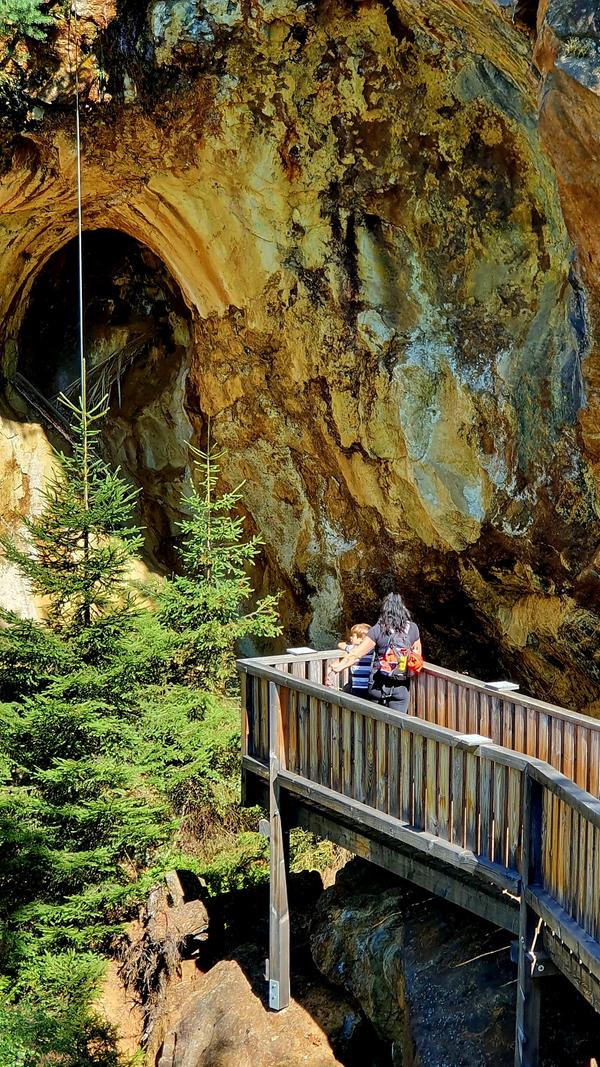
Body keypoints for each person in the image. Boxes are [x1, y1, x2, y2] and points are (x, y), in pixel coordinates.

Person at [329, 593, 421, 713]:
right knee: (397, 721)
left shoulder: (377, 629)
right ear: (403, 609)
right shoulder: (413, 628)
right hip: (401, 687)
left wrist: (336, 668)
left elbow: (356, 654)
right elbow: (417, 657)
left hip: (377, 685)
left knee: (374, 721)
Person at [337, 622, 373, 696]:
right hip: (369, 686)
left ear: (361, 639)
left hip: (356, 685)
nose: (351, 637)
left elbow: (340, 645)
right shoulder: (372, 650)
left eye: (353, 636)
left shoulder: (354, 649)